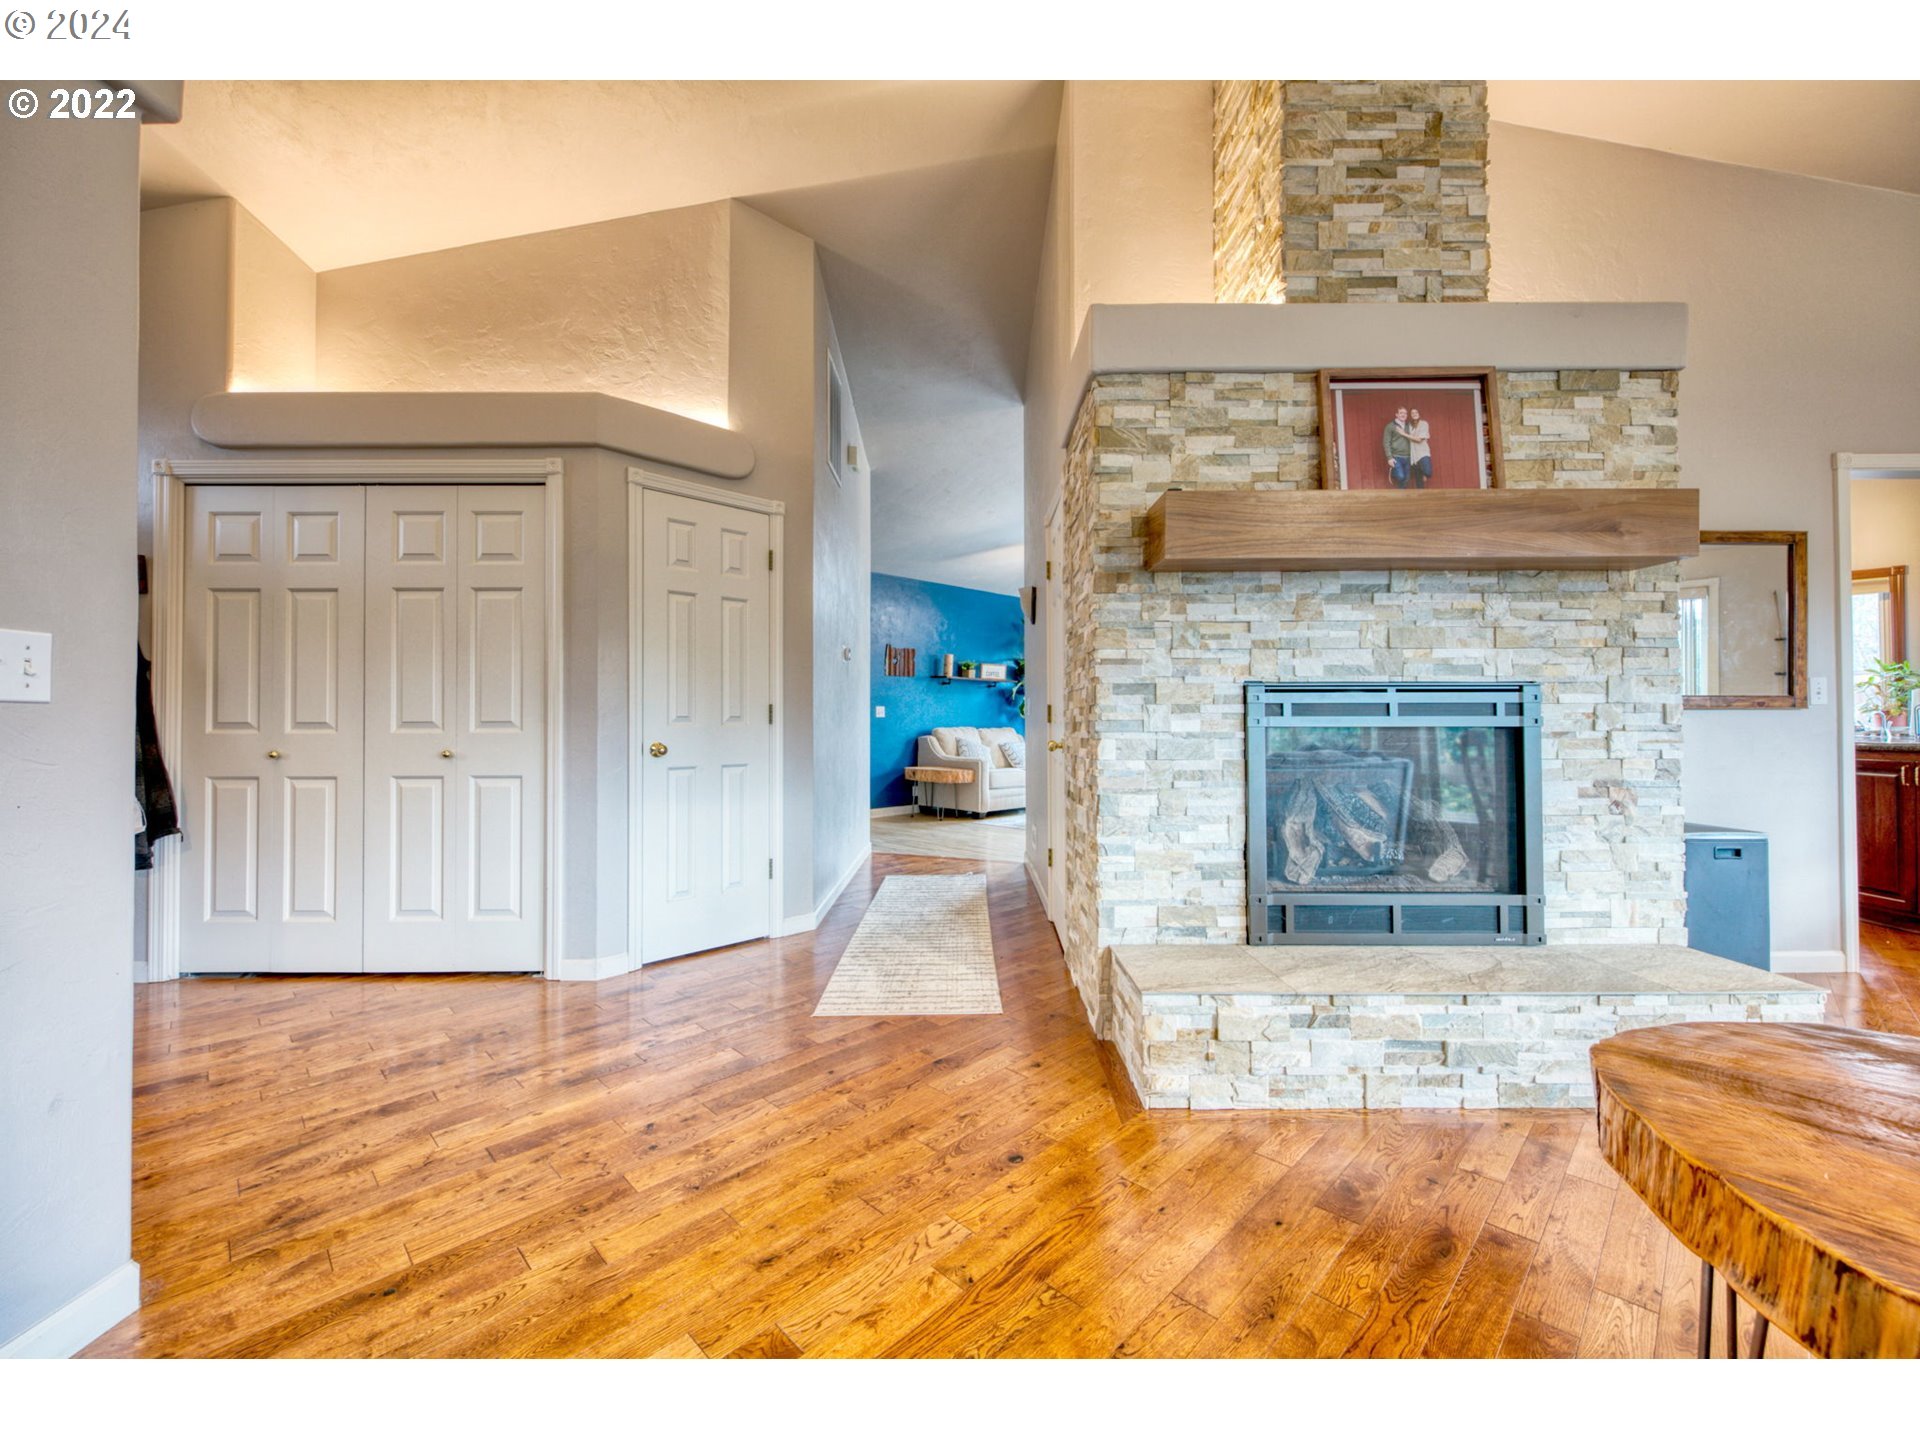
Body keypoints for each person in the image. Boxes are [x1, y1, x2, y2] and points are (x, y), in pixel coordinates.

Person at [1381, 407, 1412, 487]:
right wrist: (1389, 458)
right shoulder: (1390, 426)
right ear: (1397, 415)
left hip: (1408, 456)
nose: (1403, 415)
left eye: (1405, 413)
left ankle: (1402, 496)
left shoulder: (1409, 426)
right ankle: (1394, 473)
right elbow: (1386, 442)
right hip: (1396, 456)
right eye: (1401, 413)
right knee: (1400, 476)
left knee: (1406, 479)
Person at [1406, 407, 1432, 488]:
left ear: (1419, 414)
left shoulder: (1424, 424)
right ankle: (1420, 495)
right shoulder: (1408, 426)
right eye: (1412, 413)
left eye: (1416, 412)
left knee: (1428, 471)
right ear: (1410, 416)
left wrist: (1404, 434)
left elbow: (1419, 440)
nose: (1414, 414)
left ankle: (1424, 473)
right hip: (1414, 454)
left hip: (1423, 452)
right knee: (1418, 480)